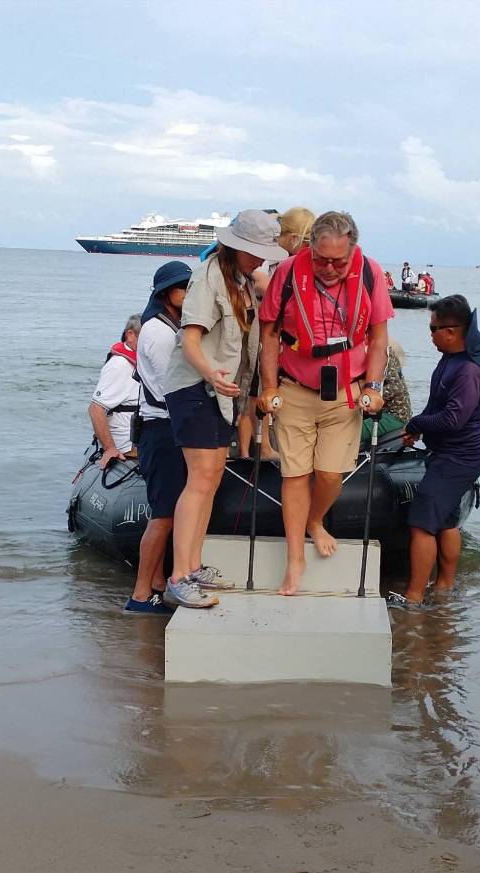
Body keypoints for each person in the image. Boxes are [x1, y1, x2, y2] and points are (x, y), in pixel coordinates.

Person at [258, 210, 393, 595]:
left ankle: (315, 520)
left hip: (346, 393)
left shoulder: (370, 272)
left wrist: (375, 385)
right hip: (296, 387)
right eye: (321, 260)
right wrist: (269, 388)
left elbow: (379, 338)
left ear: (352, 251)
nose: (329, 268)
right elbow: (269, 334)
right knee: (295, 474)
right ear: (309, 248)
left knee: (331, 474)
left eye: (338, 261)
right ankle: (294, 557)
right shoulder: (286, 273)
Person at [161, 210, 288, 608]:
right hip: (195, 387)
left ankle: (194, 567)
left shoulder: (243, 278)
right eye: (256, 253)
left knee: (212, 478)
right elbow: (190, 340)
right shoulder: (208, 276)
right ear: (236, 246)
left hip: (221, 390)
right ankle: (179, 577)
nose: (260, 260)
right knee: (199, 480)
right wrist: (213, 376)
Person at [387, 295, 480, 611]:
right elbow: (437, 406)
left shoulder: (469, 371)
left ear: (453, 330)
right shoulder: (450, 361)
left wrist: (419, 422)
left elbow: (453, 418)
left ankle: (414, 596)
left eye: (433, 329)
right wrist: (414, 428)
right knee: (446, 521)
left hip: (459, 458)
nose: (430, 335)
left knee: (421, 524)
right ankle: (444, 586)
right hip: (448, 454)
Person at [123, 262, 192, 615]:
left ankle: (158, 584)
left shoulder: (162, 326)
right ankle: (139, 595)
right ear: (166, 294)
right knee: (163, 515)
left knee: (167, 513)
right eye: (184, 288)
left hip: (160, 428)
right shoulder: (160, 333)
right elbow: (172, 387)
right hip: (162, 430)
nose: (190, 293)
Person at [243, 206, 315, 459]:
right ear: (294, 237)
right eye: (307, 240)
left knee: (263, 384)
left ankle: (266, 445)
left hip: (272, 326)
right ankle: (260, 447)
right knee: (257, 385)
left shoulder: (285, 259)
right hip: (260, 324)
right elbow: (261, 280)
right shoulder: (271, 254)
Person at [89, 314, 141, 469]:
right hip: (129, 445)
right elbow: (95, 408)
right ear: (130, 335)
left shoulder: (144, 362)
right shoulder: (119, 365)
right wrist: (110, 448)